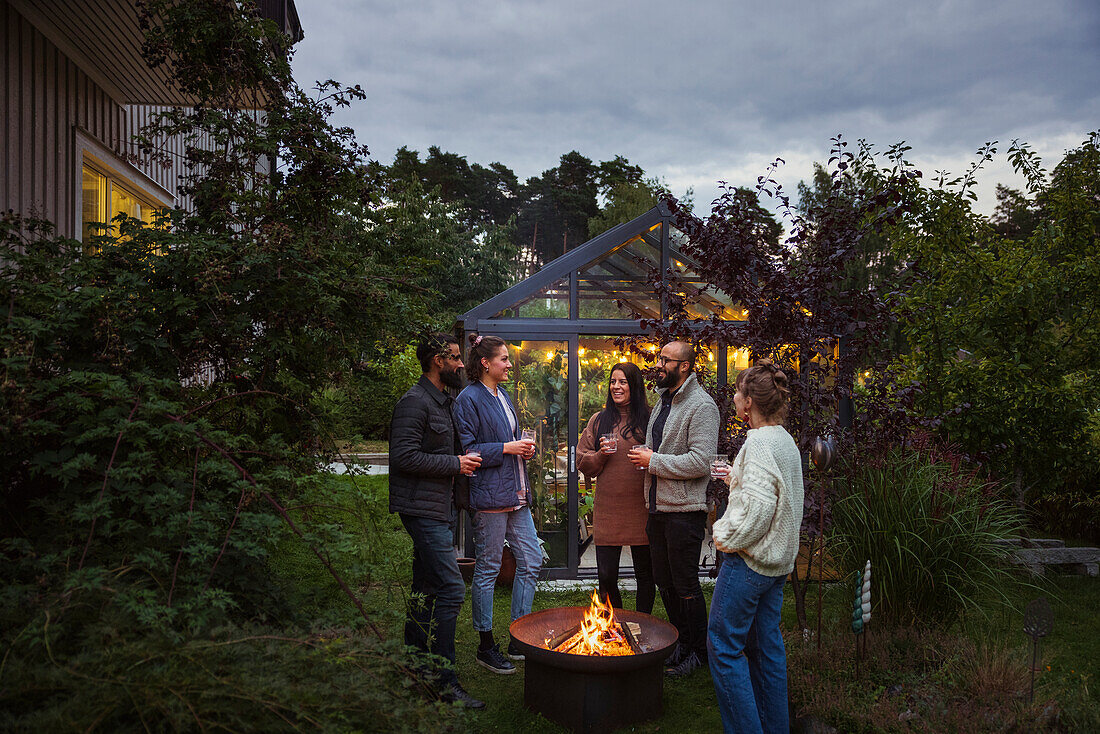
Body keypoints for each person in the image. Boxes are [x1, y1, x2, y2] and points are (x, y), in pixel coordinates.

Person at [388, 333, 485, 709]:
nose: (462, 364)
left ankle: (414, 668)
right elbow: (403, 458)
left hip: (439, 508)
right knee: (451, 588)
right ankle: (445, 680)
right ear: (436, 361)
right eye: (456, 359)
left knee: (426, 587)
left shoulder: (443, 402)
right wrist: (455, 464)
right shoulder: (414, 403)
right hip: (420, 510)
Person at [708, 361, 804, 734]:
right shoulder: (783, 440)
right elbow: (779, 496)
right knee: (767, 653)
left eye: (738, 392)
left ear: (748, 402)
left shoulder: (759, 441)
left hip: (749, 565)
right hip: (777, 566)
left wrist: (723, 535)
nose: (734, 398)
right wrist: (738, 477)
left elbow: (759, 510)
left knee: (723, 646)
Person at [628, 340, 719, 677]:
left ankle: (699, 651)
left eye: (666, 360)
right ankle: (681, 643)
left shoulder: (702, 406)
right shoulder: (663, 401)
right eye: (659, 358)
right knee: (664, 582)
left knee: (685, 585)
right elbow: (660, 451)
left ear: (684, 366)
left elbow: (702, 461)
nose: (659, 364)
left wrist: (655, 461)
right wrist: (647, 456)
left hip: (684, 510)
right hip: (657, 509)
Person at [453, 333, 542, 675]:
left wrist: (521, 445)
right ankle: (485, 645)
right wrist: (507, 448)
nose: (509, 364)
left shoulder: (502, 394)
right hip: (490, 496)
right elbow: (470, 451)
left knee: (531, 560)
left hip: (516, 494)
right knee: (488, 570)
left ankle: (518, 637)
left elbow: (507, 440)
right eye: (503, 359)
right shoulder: (468, 399)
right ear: (486, 363)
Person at [577, 362, 655, 613]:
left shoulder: (650, 419)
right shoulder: (599, 420)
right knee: (606, 575)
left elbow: (664, 457)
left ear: (635, 386)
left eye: (622, 382)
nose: (616, 387)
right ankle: (617, 624)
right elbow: (582, 460)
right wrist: (601, 455)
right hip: (609, 508)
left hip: (642, 506)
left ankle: (643, 626)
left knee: (645, 575)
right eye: (613, 381)